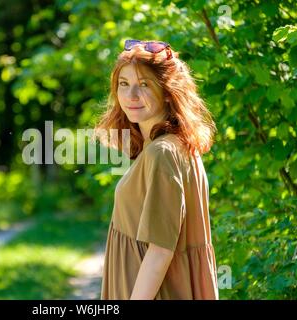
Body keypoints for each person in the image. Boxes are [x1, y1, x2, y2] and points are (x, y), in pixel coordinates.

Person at [94, 39, 219, 300]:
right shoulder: (177, 145)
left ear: (167, 91)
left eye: (144, 85)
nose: (131, 96)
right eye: (124, 85)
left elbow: (160, 251)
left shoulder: (162, 152)